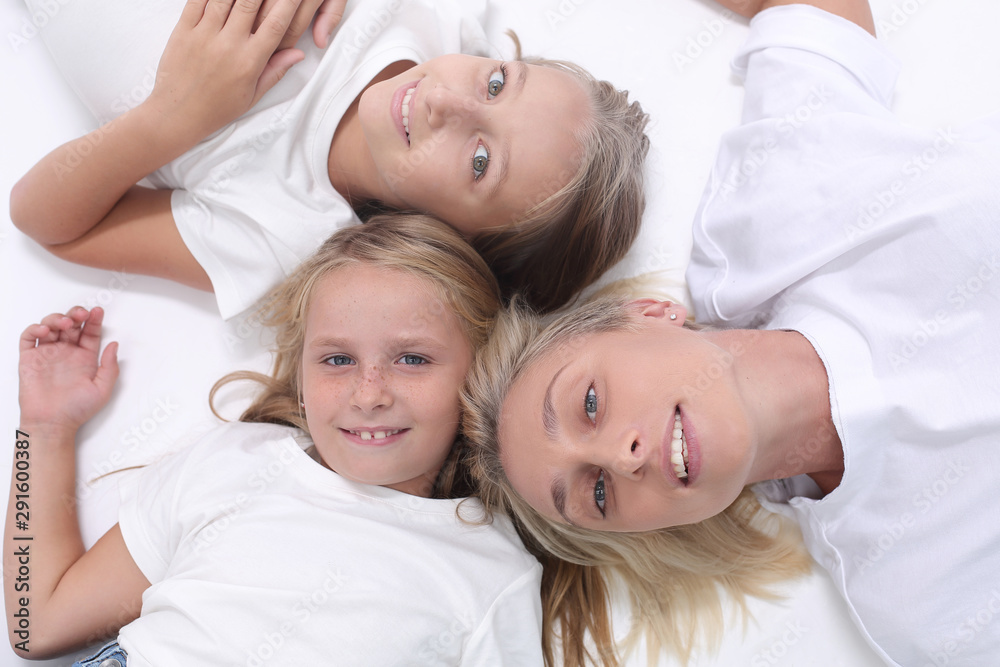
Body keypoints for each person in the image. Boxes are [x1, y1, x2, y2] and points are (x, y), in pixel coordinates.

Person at [460, 0, 1000, 665]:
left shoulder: (768, 224)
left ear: (647, 316)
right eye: (597, 493)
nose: (623, 457)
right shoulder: (920, 598)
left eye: (589, 402)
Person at [4, 215, 546, 665]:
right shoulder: (233, 461)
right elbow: (38, 622)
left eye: (412, 359)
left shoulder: (491, 573)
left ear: (479, 373)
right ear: (304, 378)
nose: (369, 394)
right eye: (337, 360)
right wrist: (45, 429)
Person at [9, 0, 649, 318]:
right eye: (497, 83)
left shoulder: (283, 231)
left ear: (442, 241)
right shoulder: (438, 15)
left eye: (480, 162)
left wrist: (170, 117)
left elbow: (48, 219)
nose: (446, 101)